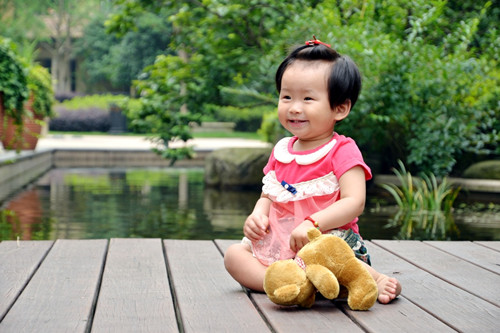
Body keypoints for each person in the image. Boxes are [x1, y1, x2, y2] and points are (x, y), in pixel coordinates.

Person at [224, 36, 401, 304]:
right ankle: (286, 283)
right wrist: (257, 216)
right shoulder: (281, 151)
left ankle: (372, 278)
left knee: (325, 250)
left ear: (340, 108)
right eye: (286, 97)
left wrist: (312, 223)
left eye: (308, 98)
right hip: (283, 247)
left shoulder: (341, 150)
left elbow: (355, 202)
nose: (294, 107)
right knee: (234, 256)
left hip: (326, 244)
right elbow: (269, 196)